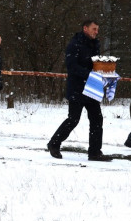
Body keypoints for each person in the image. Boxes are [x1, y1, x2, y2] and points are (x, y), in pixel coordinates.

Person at [46, 20, 111, 161]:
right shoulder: (74, 44)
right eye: (94, 29)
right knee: (73, 119)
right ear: (85, 28)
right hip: (77, 87)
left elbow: (94, 63)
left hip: (92, 87)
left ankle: (94, 152)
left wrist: (105, 70)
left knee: (96, 119)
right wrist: (90, 74)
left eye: (97, 29)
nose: (96, 31)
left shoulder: (95, 44)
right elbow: (72, 66)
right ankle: (54, 143)